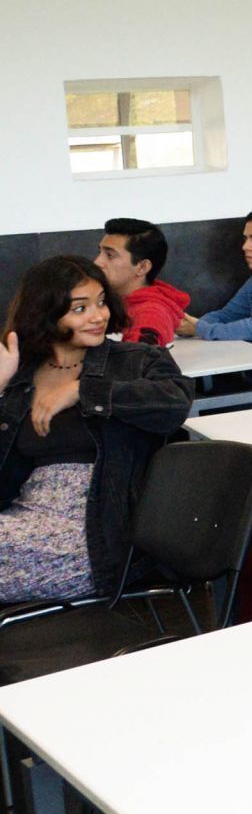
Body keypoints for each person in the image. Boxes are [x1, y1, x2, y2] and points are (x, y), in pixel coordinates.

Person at [0, 256, 192, 602]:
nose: (98, 315)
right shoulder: (22, 373)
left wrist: (83, 391)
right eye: (79, 308)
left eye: (101, 302)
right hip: (25, 515)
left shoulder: (135, 360)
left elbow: (174, 404)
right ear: (45, 313)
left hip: (96, 532)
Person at [177, 205, 252, 385]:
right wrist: (188, 325)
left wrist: (201, 328)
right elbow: (227, 315)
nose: (245, 247)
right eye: (246, 239)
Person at [94, 218, 188, 347]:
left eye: (110, 255)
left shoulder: (150, 315)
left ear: (142, 267)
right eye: (100, 252)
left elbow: (136, 364)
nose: (97, 262)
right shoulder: (116, 303)